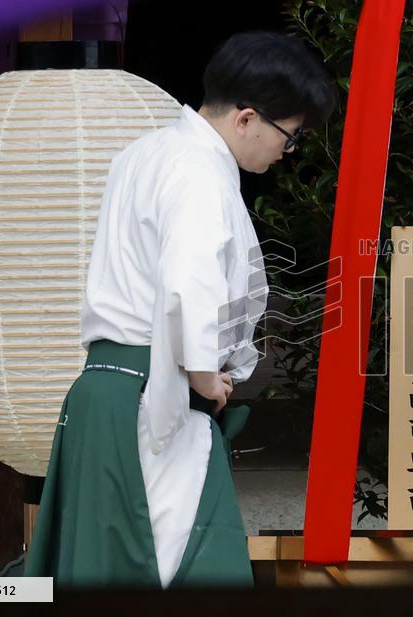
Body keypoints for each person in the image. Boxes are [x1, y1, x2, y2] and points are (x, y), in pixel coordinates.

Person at [25, 31, 335, 588]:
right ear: (247, 119)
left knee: (108, 568)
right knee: (177, 569)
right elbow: (186, 282)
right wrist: (203, 378)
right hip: (155, 394)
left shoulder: (144, 152)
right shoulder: (198, 171)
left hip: (107, 390)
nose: (287, 154)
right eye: (290, 138)